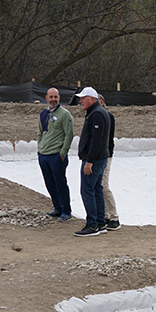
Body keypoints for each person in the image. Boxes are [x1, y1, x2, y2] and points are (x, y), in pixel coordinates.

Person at [74, 87, 112, 236]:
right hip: (99, 158)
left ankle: (92, 225)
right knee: (96, 189)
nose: (80, 101)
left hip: (94, 160)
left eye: (83, 98)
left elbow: (96, 141)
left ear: (92, 99)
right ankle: (100, 222)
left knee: (87, 190)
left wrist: (89, 161)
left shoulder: (96, 114)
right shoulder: (96, 112)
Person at [37, 87, 73, 221]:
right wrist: (39, 150)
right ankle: (57, 208)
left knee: (60, 183)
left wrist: (63, 153)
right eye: (50, 97)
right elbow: (40, 132)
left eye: (55, 97)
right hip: (44, 155)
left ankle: (66, 211)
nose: (53, 100)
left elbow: (69, 135)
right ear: (46, 98)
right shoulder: (43, 114)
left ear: (59, 98)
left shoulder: (65, 114)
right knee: (49, 183)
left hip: (57, 155)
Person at [98, 94, 120, 230]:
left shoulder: (108, 117)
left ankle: (114, 217)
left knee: (104, 185)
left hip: (105, 154)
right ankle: (105, 215)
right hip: (98, 155)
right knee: (99, 186)